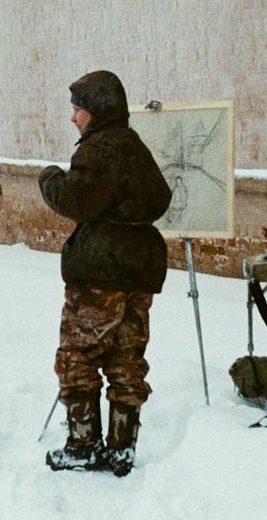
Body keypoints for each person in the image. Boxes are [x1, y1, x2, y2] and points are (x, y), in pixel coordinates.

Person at [39, 70, 171, 476]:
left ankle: (83, 444)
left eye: (78, 109)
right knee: (126, 356)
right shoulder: (133, 146)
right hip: (139, 272)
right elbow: (161, 196)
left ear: (95, 111)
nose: (73, 118)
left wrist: (50, 178)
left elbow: (76, 198)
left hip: (101, 273)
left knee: (77, 355)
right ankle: (122, 447)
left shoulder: (99, 149)